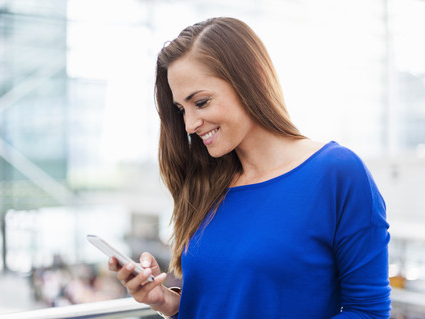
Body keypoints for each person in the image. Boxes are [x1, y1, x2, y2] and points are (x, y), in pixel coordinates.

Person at [108, 17, 391, 318]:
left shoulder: (337, 173)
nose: (189, 125)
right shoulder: (209, 183)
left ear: (251, 78)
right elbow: (229, 300)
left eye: (201, 102)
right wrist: (166, 301)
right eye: (181, 110)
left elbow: (369, 312)